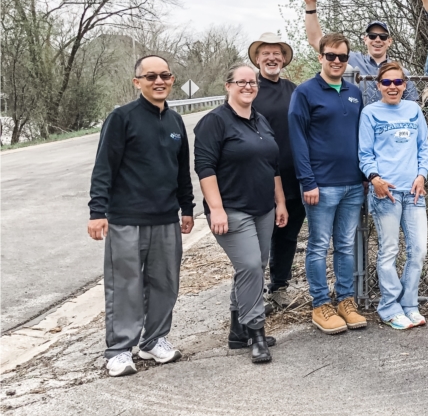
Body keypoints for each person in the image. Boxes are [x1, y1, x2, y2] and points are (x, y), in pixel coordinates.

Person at [88, 55, 194, 377]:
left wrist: (187, 208)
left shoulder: (176, 122)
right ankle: (120, 349)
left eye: (164, 75)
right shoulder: (122, 118)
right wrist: (97, 211)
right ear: (137, 82)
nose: (158, 81)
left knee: (165, 283)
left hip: (165, 218)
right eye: (150, 77)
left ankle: (154, 340)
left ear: (172, 79)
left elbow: (181, 172)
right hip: (126, 219)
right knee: (125, 286)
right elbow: (104, 167)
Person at [194, 65, 288, 363]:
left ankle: (238, 331)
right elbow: (205, 168)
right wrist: (216, 209)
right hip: (232, 209)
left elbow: (272, 166)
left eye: (252, 82)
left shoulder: (260, 120)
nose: (248, 86)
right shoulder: (215, 121)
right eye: (241, 82)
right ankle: (257, 333)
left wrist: (280, 202)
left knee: (255, 266)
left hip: (263, 207)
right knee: (249, 266)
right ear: (228, 86)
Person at [289, 32, 368, 335]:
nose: (337, 61)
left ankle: (345, 301)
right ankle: (321, 304)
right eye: (331, 56)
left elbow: (360, 137)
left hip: (352, 184)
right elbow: (298, 140)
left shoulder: (353, 92)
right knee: (319, 245)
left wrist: (363, 176)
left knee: (346, 246)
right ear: (320, 57)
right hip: (320, 185)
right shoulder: (305, 93)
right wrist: (307, 181)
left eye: (342, 57)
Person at [358, 61, 428, 330]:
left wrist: (422, 175)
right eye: (386, 82)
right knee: (389, 251)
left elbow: (424, 148)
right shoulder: (369, 113)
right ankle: (389, 307)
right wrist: (375, 179)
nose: (392, 87)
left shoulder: (413, 110)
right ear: (378, 86)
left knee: (418, 251)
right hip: (385, 194)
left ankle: (409, 304)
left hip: (413, 193)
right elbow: (364, 153)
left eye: (397, 82)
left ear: (405, 85)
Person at [246, 32, 304, 312]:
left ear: (284, 59)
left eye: (276, 53)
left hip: (294, 177)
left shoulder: (294, 90)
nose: (272, 58)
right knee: (258, 238)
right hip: (260, 177)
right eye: (265, 53)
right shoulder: (249, 90)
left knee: (287, 235)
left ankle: (279, 287)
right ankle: (251, 294)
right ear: (257, 59)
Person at [299, 0, 420, 106]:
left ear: (389, 41)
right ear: (365, 39)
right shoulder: (349, 59)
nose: (377, 40)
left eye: (383, 36)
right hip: (357, 123)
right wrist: (310, 5)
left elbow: (413, 105)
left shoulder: (401, 72)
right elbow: (316, 40)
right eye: (372, 36)